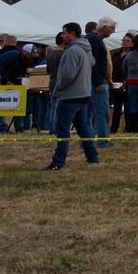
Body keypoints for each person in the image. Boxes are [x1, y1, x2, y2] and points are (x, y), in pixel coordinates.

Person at [44, 23, 100, 170]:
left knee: (62, 130)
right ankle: (92, 157)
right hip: (84, 94)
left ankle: (58, 161)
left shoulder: (72, 51)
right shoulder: (86, 50)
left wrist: (59, 87)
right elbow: (93, 64)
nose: (62, 36)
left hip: (69, 96)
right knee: (83, 127)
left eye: (64, 33)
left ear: (72, 33)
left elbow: (67, 75)